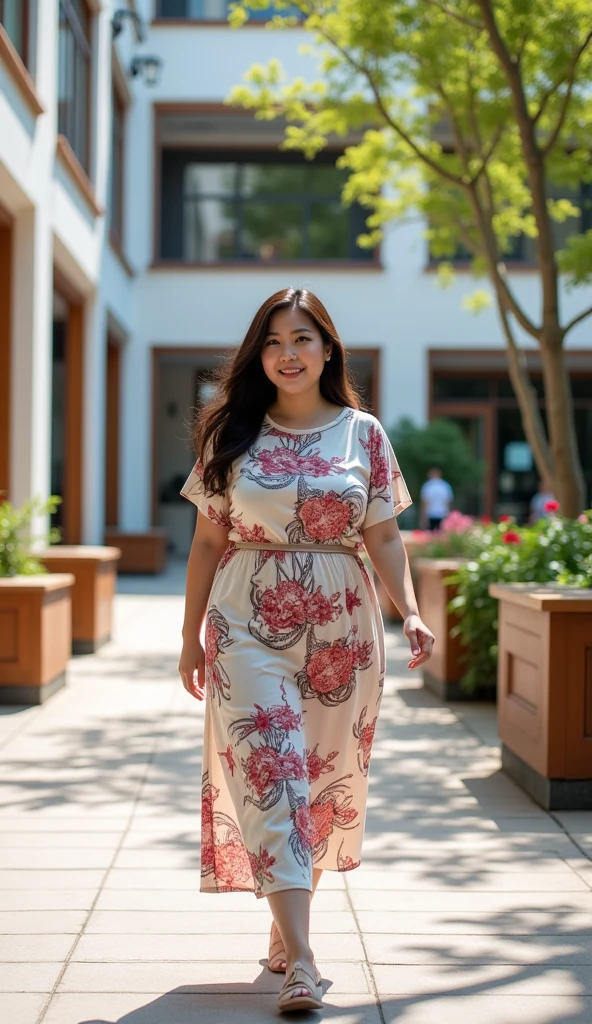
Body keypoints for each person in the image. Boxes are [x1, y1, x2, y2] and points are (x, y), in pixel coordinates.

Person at [178, 288, 435, 1014]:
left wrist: (409, 614)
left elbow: (384, 535)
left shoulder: (364, 434)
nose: (287, 354)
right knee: (275, 771)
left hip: (343, 628)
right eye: (273, 342)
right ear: (258, 355)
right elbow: (207, 540)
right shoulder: (230, 432)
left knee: (319, 783)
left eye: (302, 339)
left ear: (328, 349)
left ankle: (282, 932)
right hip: (244, 621)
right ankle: (304, 964)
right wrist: (189, 636)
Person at [420, 467, 453, 531]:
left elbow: (425, 502)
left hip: (431, 514)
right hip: (442, 513)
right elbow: (448, 502)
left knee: (430, 535)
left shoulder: (427, 486)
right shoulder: (445, 486)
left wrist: (423, 518)